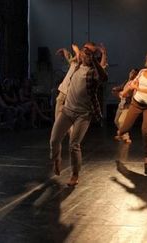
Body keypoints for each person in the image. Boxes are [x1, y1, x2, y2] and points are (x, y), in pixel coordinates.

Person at [49, 44, 108, 186]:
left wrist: (95, 59)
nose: (85, 55)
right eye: (84, 52)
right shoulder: (75, 66)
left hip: (83, 114)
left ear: (94, 57)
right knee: (54, 140)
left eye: (90, 54)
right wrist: (68, 52)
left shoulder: (93, 72)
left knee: (74, 144)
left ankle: (75, 174)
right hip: (67, 110)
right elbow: (72, 58)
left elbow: (104, 77)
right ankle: (57, 159)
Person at [116, 49, 147, 173]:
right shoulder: (142, 72)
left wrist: (140, 89)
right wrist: (125, 92)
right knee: (125, 127)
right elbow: (133, 83)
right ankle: (121, 133)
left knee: (145, 130)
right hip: (136, 103)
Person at [112, 68, 139, 144]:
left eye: (134, 73)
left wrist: (120, 94)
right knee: (116, 121)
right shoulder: (126, 82)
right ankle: (121, 134)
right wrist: (115, 90)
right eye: (131, 72)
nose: (132, 74)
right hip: (121, 104)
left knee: (121, 121)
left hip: (127, 105)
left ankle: (126, 137)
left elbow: (128, 94)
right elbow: (121, 88)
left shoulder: (134, 83)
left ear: (136, 75)